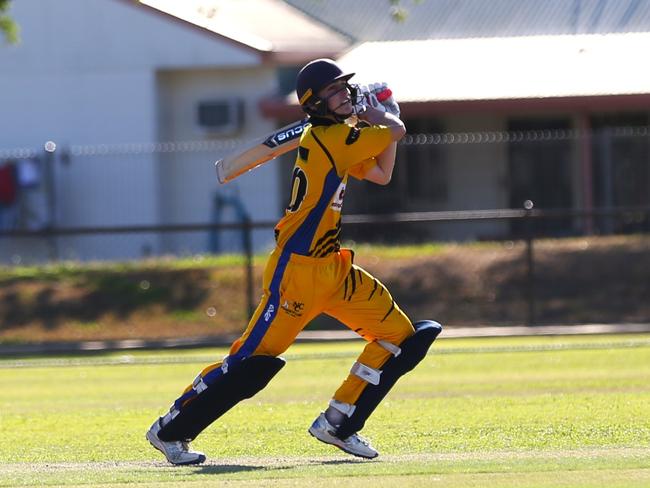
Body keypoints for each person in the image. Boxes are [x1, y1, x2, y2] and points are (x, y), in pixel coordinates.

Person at [146, 58, 442, 465]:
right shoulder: (330, 138)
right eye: (336, 91)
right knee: (249, 365)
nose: (346, 95)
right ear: (316, 104)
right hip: (297, 273)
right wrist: (385, 115)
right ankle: (169, 430)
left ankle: (339, 421)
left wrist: (382, 119)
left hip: (333, 269)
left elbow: (381, 174)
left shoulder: (338, 136)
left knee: (400, 339)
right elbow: (396, 132)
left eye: (345, 88)